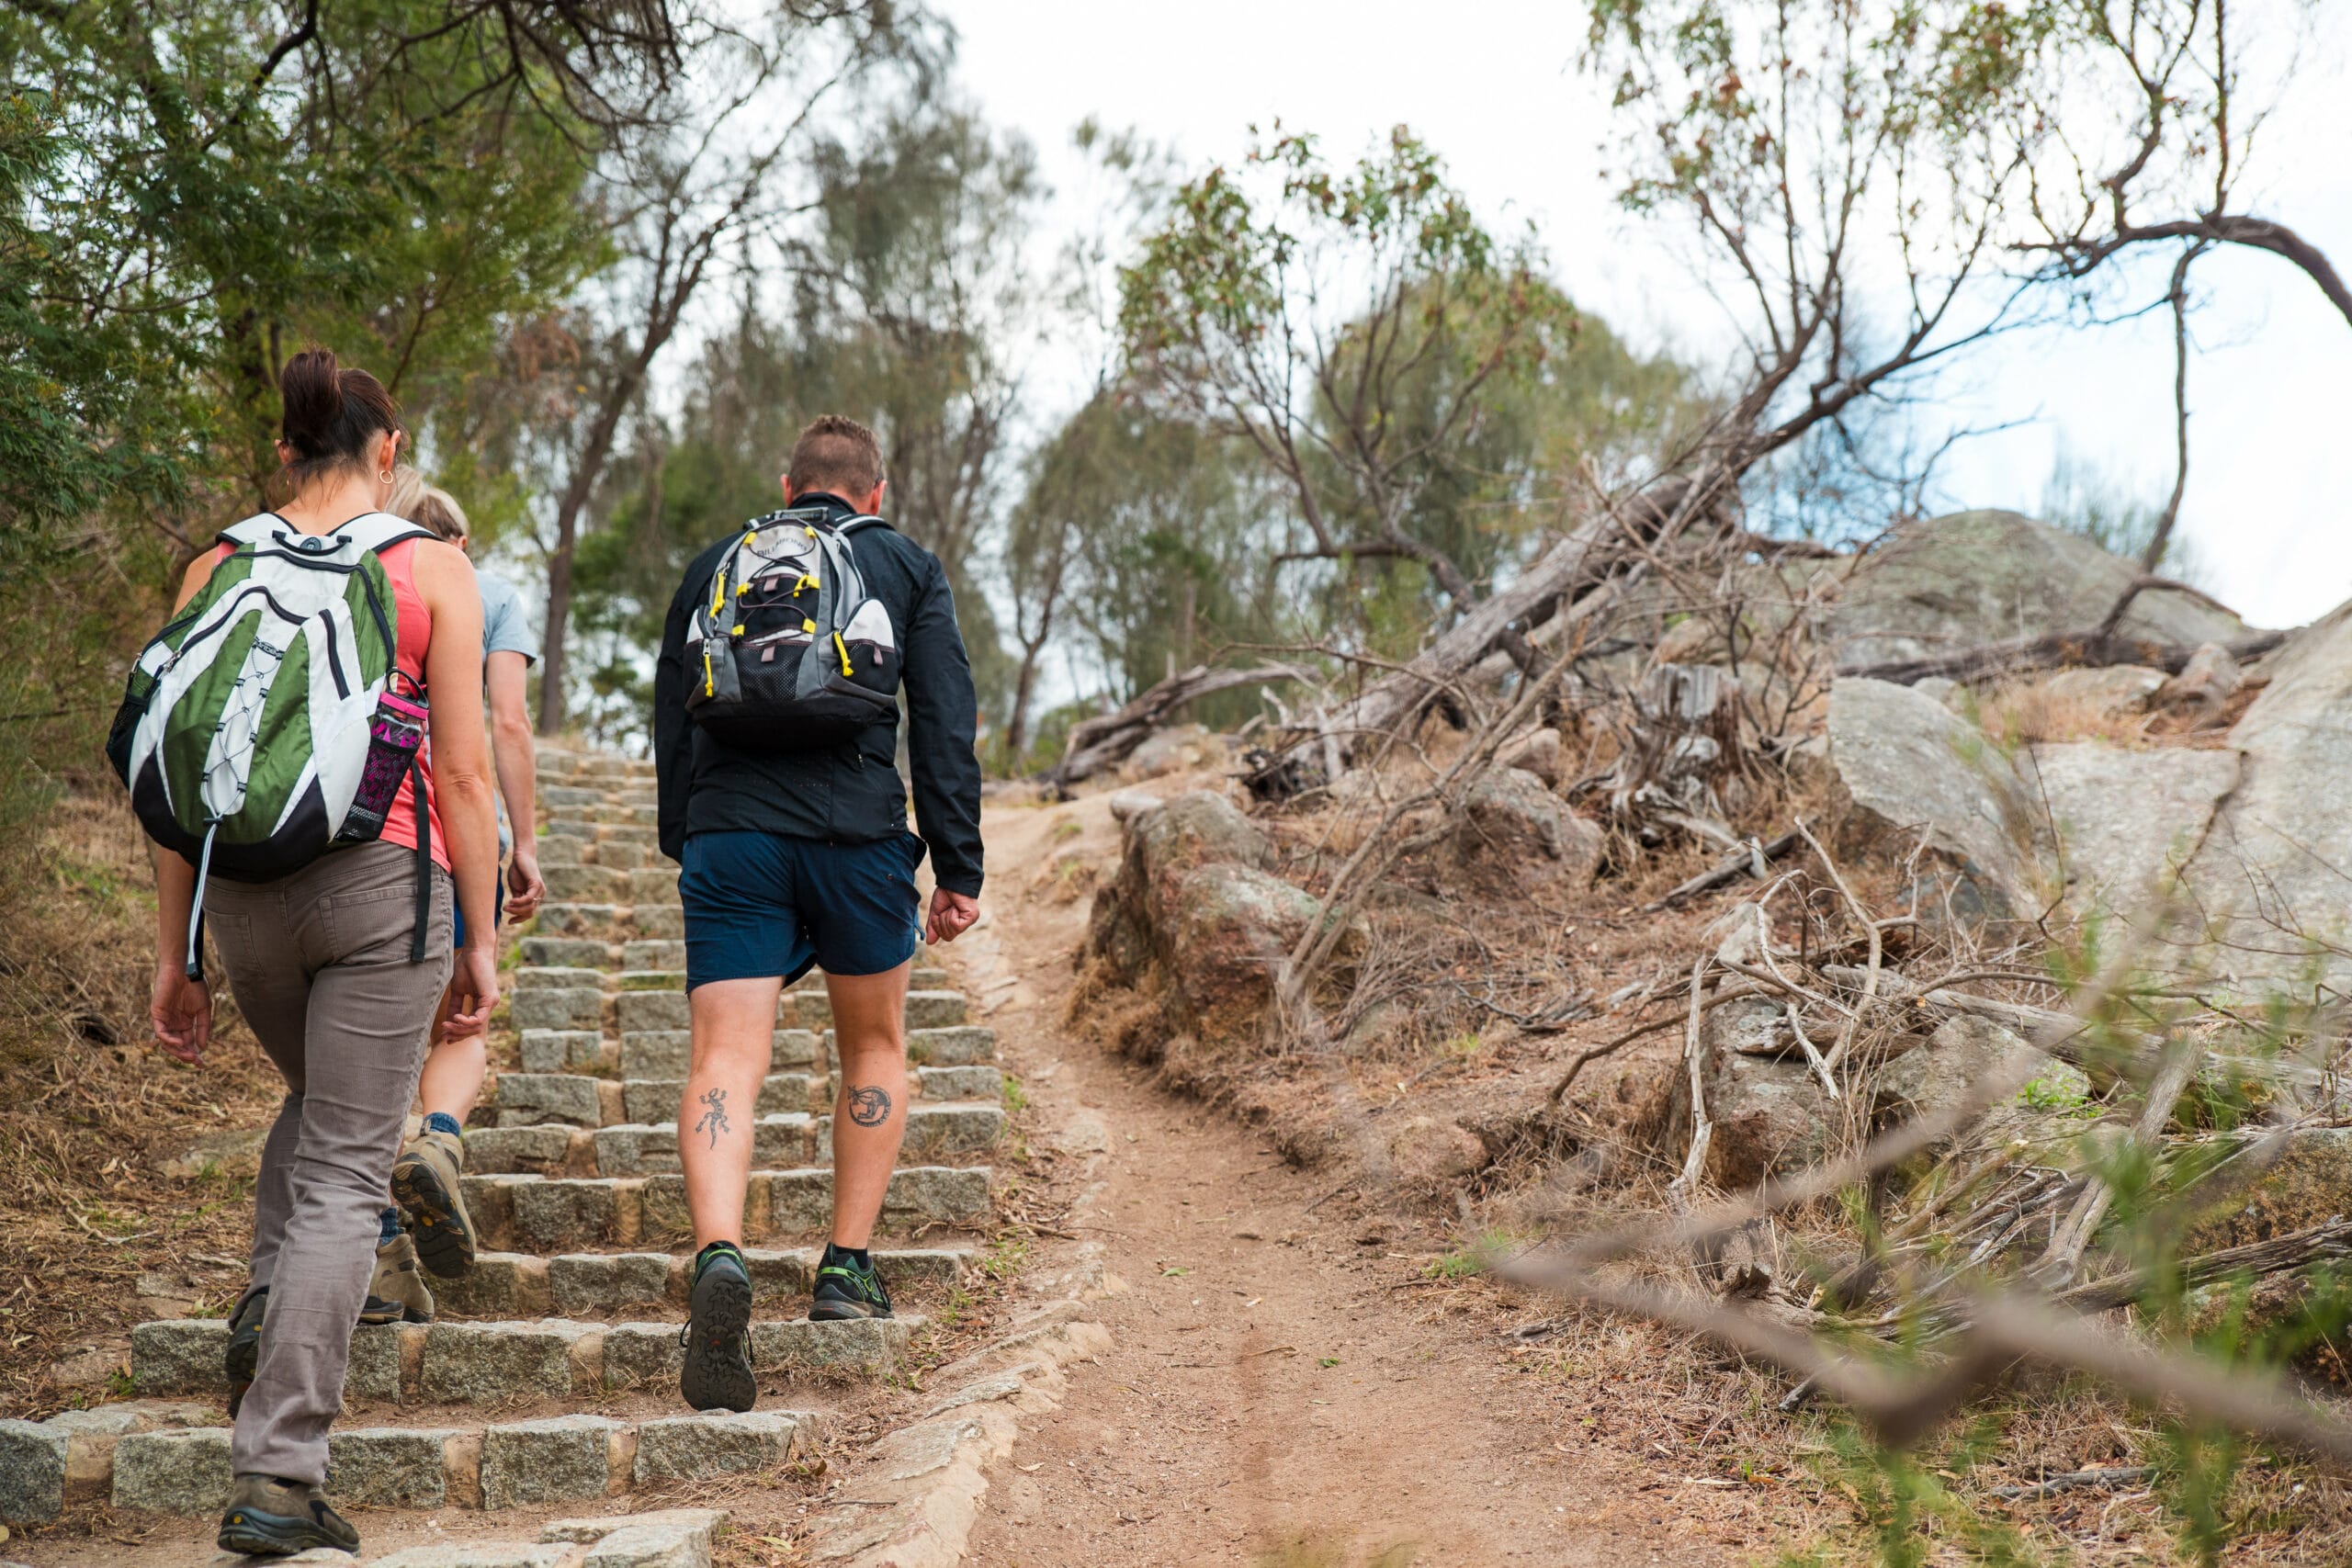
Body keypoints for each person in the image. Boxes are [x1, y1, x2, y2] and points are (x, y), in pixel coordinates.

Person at [146, 350, 502, 1557]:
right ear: (385, 451)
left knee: (318, 1108)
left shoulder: (214, 563)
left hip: (244, 902)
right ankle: (279, 1473)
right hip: (382, 888)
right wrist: (481, 934)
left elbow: (181, 770)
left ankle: (264, 1292)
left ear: (288, 444)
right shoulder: (431, 568)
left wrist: (175, 949)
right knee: (353, 1165)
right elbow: (463, 771)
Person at [652, 414, 982, 1413]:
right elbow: (943, 716)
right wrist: (957, 864)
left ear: (788, 484)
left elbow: (672, 710)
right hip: (858, 836)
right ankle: (844, 1267)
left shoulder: (719, 562)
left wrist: (691, 838)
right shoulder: (904, 564)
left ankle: (720, 1253)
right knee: (873, 1047)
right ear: (872, 495)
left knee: (723, 1061)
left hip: (733, 838)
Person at [366, 475, 547, 1309]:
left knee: (368, 1052)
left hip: (365, 832)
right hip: (454, 834)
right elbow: (506, 722)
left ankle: (375, 1246)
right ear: (461, 544)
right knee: (464, 1014)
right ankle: (438, 1141)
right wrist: (524, 843)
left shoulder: (368, 581)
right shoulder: (488, 592)